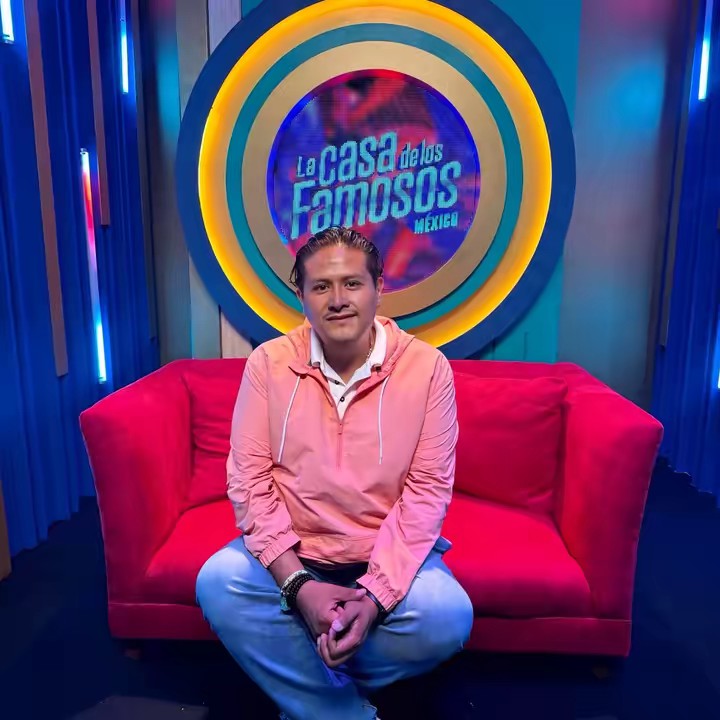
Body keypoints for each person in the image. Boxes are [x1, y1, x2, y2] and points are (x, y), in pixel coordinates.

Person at [196, 226, 473, 719]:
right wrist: (299, 587)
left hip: (383, 555)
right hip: (295, 553)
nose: (338, 300)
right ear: (301, 296)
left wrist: (373, 598)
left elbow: (427, 494)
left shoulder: (428, 369)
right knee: (218, 581)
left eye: (352, 284)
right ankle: (339, 711)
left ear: (378, 289)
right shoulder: (268, 364)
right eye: (321, 286)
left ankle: (305, 676)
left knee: (447, 616)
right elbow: (249, 481)